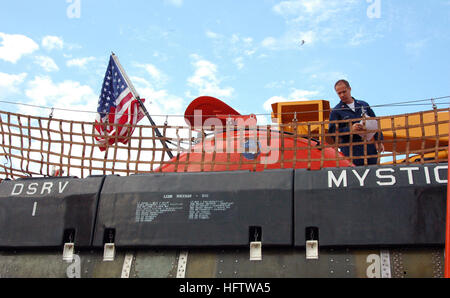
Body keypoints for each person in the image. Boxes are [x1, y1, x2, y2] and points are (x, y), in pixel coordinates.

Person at [327, 80, 384, 166]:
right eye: (339, 93)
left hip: (369, 149)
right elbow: (333, 133)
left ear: (349, 89)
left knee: (372, 174)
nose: (342, 95)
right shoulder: (336, 111)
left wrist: (379, 141)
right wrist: (350, 129)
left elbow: (375, 123)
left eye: (344, 92)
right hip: (350, 151)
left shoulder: (363, 105)